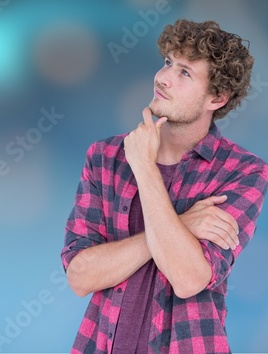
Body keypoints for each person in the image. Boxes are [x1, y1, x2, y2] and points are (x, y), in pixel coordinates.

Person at [61, 19, 268, 353]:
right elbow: (80, 276)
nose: (163, 78)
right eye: (168, 62)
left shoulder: (242, 172)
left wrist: (144, 167)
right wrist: (185, 224)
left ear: (217, 97)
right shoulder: (105, 157)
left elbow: (189, 279)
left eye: (185, 72)